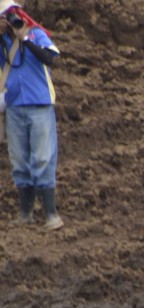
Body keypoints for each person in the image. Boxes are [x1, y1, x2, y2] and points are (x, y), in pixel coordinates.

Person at [1, 1, 62, 231]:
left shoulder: (36, 34)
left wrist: (24, 38)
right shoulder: (2, 41)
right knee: (19, 159)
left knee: (42, 158)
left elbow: (50, 58)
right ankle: (25, 213)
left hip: (40, 103)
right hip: (14, 106)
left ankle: (50, 214)